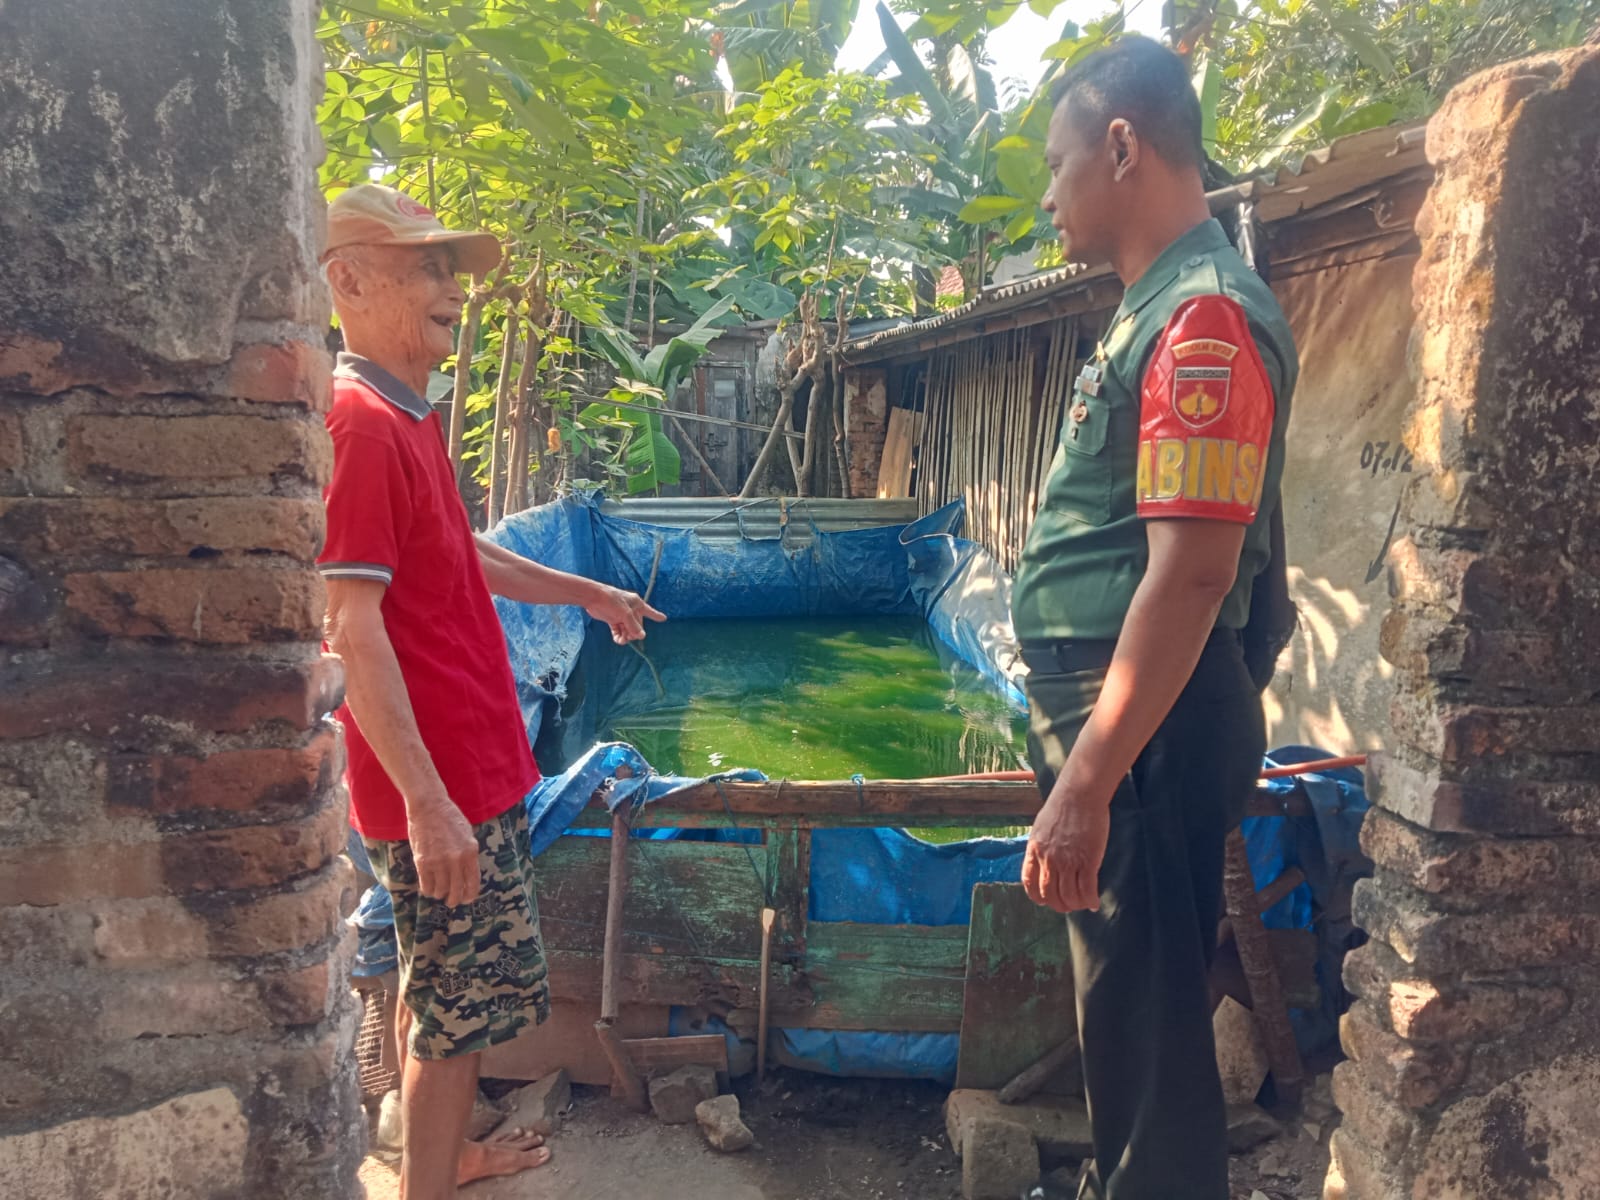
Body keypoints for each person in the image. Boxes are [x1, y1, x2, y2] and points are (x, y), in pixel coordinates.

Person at [317, 183, 664, 1199]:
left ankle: (448, 1151)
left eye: (450, 270)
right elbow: (351, 625)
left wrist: (588, 591)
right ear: (348, 280)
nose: (451, 291)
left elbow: (459, 554)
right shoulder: (360, 427)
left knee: (454, 994)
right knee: (451, 1009)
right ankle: (429, 1182)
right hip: (439, 789)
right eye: (427, 267)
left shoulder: (405, 417)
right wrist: (426, 803)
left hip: (471, 771)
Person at [1011, 38, 1298, 1200]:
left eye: (1058, 160)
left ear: (1121, 145)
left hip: (1143, 725)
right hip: (1141, 720)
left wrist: (1087, 778)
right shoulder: (1159, 312)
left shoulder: (1203, 323)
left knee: (1151, 1020)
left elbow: (1190, 579)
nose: (1046, 192)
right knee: (1129, 1003)